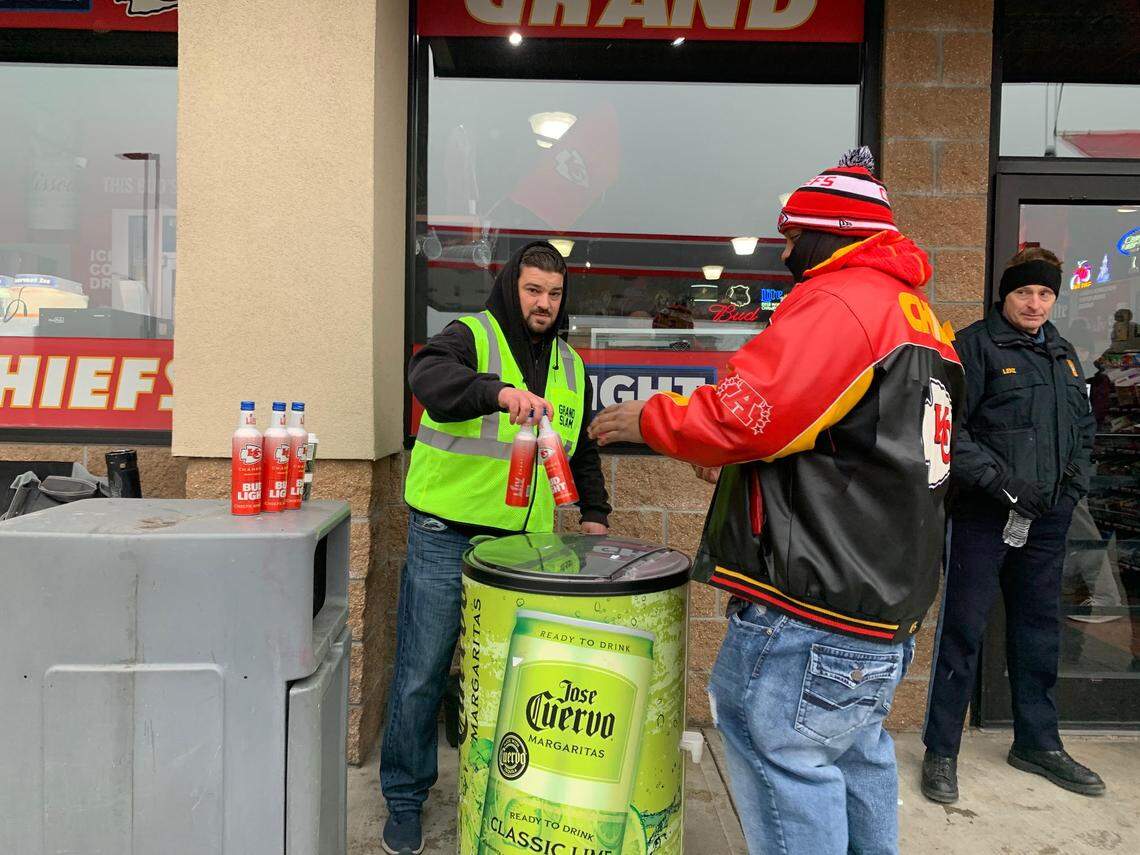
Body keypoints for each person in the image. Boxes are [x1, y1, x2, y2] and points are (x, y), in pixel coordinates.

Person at [589, 148, 964, 855]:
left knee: (781, 754)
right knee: (855, 755)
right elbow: (849, 451)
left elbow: (744, 416)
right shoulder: (923, 319)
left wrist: (650, 419)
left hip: (815, 603)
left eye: (791, 237)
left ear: (827, 232)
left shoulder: (841, 303)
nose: (784, 251)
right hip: (881, 602)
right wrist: (739, 473)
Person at [380, 241, 611, 855]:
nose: (543, 303)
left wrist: (595, 516)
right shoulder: (470, 336)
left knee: (515, 676)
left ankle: (504, 786)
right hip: (444, 533)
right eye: (534, 290)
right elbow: (428, 379)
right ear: (514, 288)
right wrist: (499, 393)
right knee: (420, 671)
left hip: (520, 546)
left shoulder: (570, 364)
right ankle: (405, 799)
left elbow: (579, 447)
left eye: (555, 295)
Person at [921, 247, 1104, 805]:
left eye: (1046, 293)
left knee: (1039, 633)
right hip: (984, 516)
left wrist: (1071, 488)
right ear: (1005, 294)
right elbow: (948, 429)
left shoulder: (1063, 354)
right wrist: (1002, 485)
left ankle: (1037, 743)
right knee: (963, 632)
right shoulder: (973, 347)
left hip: (1046, 521)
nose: (1035, 302)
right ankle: (942, 751)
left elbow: (1083, 428)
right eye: (1025, 292)